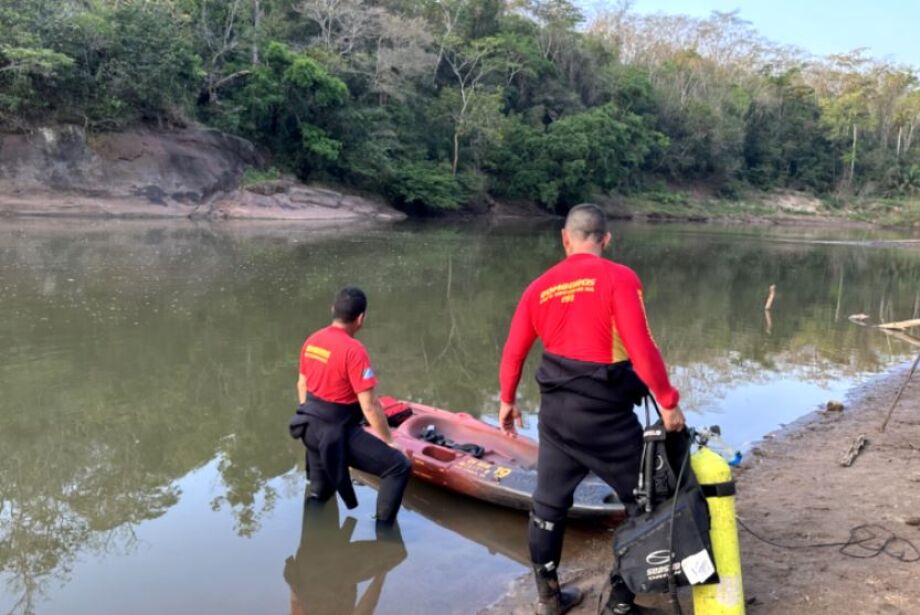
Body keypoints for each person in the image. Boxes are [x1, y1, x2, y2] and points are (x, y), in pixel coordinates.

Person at [498, 204, 686, 615]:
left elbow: (513, 352)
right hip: (604, 416)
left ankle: (549, 599)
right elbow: (642, 348)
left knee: (548, 504)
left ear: (565, 239)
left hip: (556, 417)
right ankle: (618, 603)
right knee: (647, 501)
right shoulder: (620, 277)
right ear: (605, 239)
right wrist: (668, 401)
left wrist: (507, 401)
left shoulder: (539, 287)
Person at [289, 286, 410, 525]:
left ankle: (313, 549)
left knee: (319, 494)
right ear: (361, 318)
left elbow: (302, 384)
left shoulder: (312, 341)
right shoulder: (354, 351)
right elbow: (370, 406)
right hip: (336, 433)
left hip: (308, 427)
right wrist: (389, 442)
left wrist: (313, 415)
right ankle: (384, 534)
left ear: (333, 310)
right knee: (398, 466)